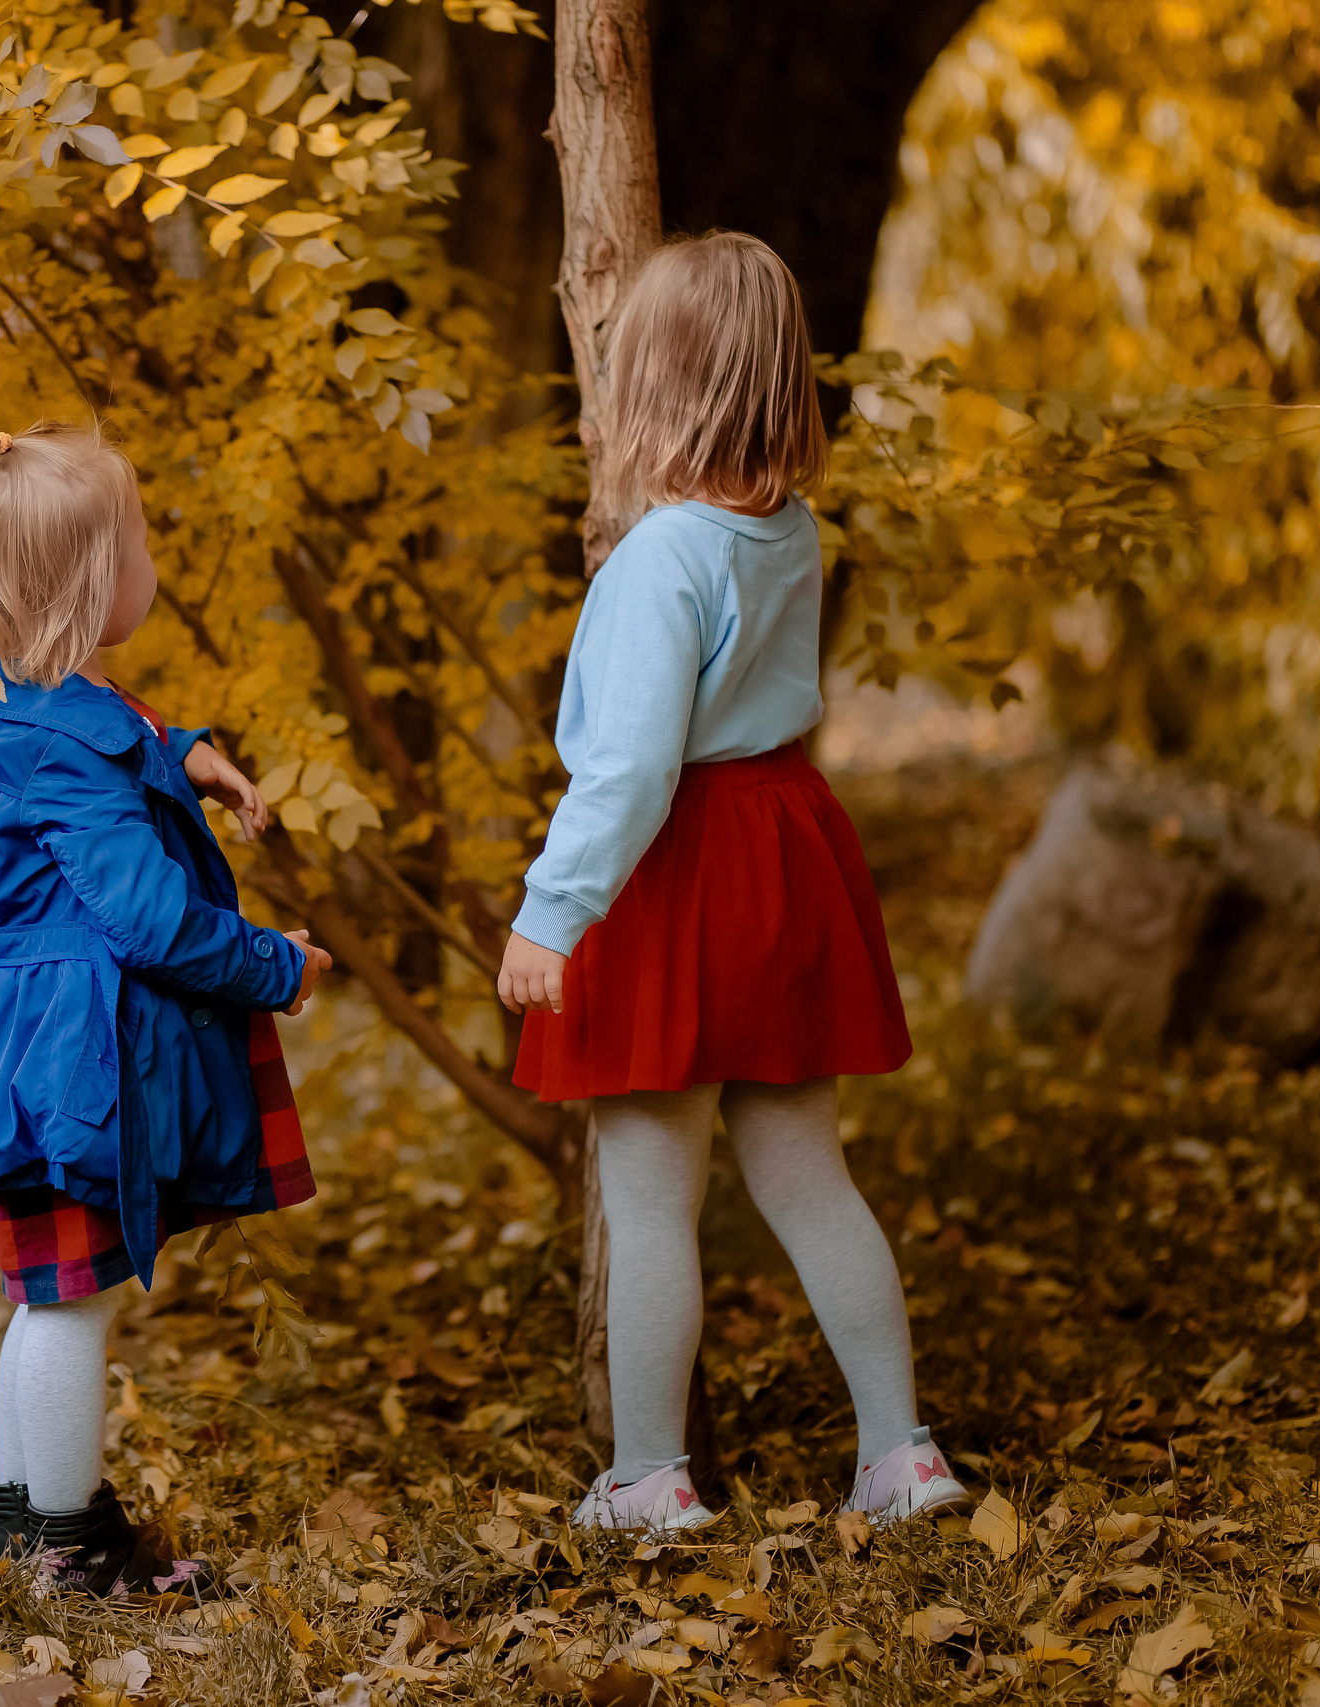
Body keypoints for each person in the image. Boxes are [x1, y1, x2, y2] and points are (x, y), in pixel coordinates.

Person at [496, 232, 970, 1534]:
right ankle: (900, 1450)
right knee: (809, 1173)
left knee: (649, 1187)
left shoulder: (662, 557)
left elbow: (633, 767)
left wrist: (554, 909)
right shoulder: (787, 530)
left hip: (676, 867)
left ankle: (650, 1471)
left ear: (659, 391)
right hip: (781, 843)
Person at [0, 422, 335, 1597]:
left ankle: (18, 1528)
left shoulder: (52, 709)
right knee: (66, 1309)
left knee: (47, 1298)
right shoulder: (57, 756)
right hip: (59, 1075)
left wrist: (193, 756)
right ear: (96, 583)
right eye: (137, 542)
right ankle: (66, 1549)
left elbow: (126, 737)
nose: (153, 557)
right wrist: (272, 966)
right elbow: (147, 920)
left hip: (39, 1054)